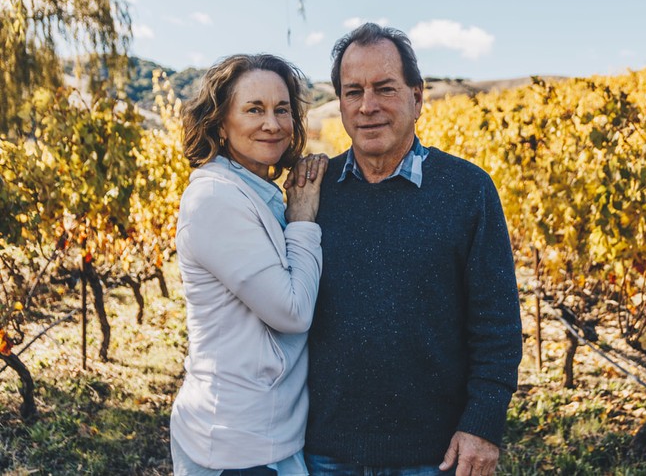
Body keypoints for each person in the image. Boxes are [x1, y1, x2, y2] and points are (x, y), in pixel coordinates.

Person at [300, 23, 523, 475]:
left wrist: (483, 424)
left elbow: (497, 324)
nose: (367, 106)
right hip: (325, 452)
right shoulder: (312, 192)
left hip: (435, 457)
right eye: (352, 92)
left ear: (417, 98)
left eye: (385, 88)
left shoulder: (467, 190)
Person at [171, 53, 327, 476]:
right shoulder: (216, 199)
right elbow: (291, 311)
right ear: (221, 123)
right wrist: (302, 221)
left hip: (265, 437)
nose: (272, 123)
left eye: (282, 109)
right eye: (254, 109)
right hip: (237, 445)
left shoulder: (255, 191)